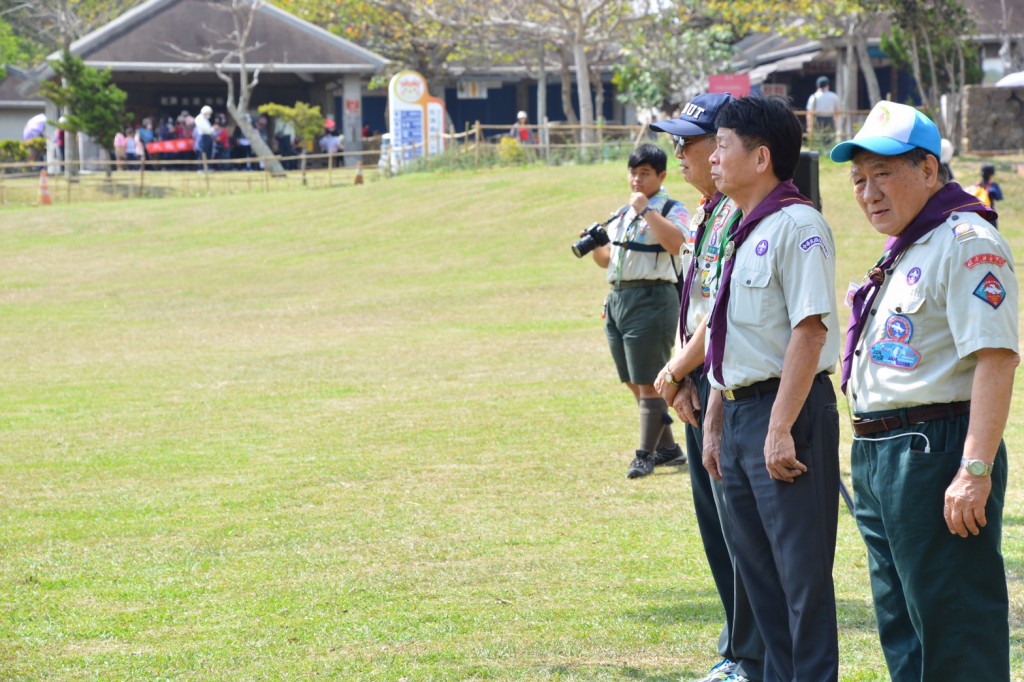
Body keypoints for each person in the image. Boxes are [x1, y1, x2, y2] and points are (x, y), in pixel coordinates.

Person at [831, 101, 1019, 682]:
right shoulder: (911, 247)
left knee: (954, 621)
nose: (869, 193)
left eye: (884, 174)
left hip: (933, 449)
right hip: (880, 451)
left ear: (930, 171)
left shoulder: (965, 240)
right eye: (859, 179)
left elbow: (996, 356)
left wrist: (975, 468)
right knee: (903, 624)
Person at [703, 96, 841, 681]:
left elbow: (809, 330)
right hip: (737, 415)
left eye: (724, 145)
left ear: (761, 158)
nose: (712, 157)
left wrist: (781, 427)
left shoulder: (799, 225)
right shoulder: (737, 226)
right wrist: (714, 422)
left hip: (785, 413)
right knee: (756, 575)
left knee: (800, 580)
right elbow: (727, 332)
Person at [651, 93, 765, 682]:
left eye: (691, 141)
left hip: (716, 377)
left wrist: (675, 371)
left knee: (736, 526)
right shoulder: (708, 211)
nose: (684, 153)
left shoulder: (741, 211)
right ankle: (738, 646)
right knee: (716, 524)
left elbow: (719, 311)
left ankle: (749, 654)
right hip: (697, 374)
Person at [585, 143, 691, 479]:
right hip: (619, 299)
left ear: (661, 175)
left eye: (644, 173)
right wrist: (596, 244)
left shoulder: (672, 208)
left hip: (654, 297)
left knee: (648, 382)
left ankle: (644, 456)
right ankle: (670, 449)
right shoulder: (622, 212)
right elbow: (608, 259)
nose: (636, 179)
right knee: (633, 379)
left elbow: (678, 245)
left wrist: (647, 211)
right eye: (633, 172)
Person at [806, 76, 840, 149]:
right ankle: (829, 153)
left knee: (818, 139)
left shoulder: (814, 97)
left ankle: (819, 152)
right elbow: (837, 111)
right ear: (828, 85)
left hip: (817, 119)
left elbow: (809, 112)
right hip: (830, 119)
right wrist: (835, 121)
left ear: (817, 85)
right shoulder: (834, 96)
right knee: (829, 139)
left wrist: (809, 126)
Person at [969, 162, 1004, 228]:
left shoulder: (975, 186)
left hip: (976, 215)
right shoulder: (993, 186)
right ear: (992, 174)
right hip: (990, 215)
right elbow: (999, 197)